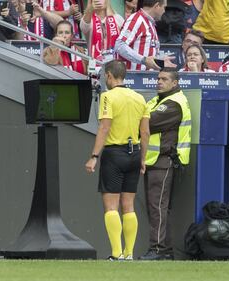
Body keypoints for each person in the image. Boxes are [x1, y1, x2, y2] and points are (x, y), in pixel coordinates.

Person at [85, 60, 150, 261]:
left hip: (114, 154)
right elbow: (145, 132)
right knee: (128, 205)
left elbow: (104, 127)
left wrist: (94, 156)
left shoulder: (108, 96)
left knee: (111, 206)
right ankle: (129, 254)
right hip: (134, 153)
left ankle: (116, 253)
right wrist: (143, 158)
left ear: (109, 76)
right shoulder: (140, 98)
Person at [139, 67, 191, 260]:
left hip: (164, 161)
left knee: (157, 206)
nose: (159, 82)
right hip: (154, 161)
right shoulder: (157, 100)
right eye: (158, 78)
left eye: (164, 79)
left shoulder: (173, 103)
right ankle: (165, 251)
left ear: (174, 83)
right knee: (158, 207)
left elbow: (146, 123)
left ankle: (158, 250)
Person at [115, 0, 171, 71]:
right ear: (157, 6)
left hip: (146, 78)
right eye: (164, 7)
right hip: (133, 78)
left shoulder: (150, 23)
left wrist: (160, 61)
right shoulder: (137, 20)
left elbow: (148, 55)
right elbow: (119, 45)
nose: (164, 11)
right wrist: (144, 60)